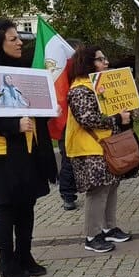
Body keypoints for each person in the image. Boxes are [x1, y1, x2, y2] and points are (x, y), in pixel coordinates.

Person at [0, 18, 58, 277]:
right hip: (0, 150)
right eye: (13, 38)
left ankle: (25, 256)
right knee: (7, 206)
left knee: (27, 202)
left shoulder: (21, 67)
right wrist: (13, 124)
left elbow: (30, 102)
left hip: (28, 146)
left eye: (19, 37)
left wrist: (47, 109)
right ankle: (6, 263)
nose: (20, 41)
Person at [66, 46, 133, 253]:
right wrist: (116, 118)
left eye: (105, 58)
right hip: (89, 148)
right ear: (88, 63)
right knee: (98, 191)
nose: (105, 62)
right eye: (100, 59)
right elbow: (87, 118)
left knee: (111, 186)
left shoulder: (98, 85)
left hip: (105, 144)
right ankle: (92, 234)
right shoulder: (80, 89)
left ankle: (109, 227)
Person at [57, 38, 83, 211]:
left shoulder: (81, 72)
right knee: (68, 158)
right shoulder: (60, 73)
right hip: (66, 121)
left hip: (80, 119)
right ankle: (67, 194)